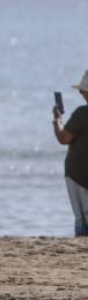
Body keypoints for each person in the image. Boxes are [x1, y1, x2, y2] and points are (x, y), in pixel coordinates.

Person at [53, 71, 88, 237]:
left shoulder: (82, 114)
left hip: (78, 173)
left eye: (82, 90)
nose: (81, 93)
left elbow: (63, 138)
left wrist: (57, 121)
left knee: (81, 219)